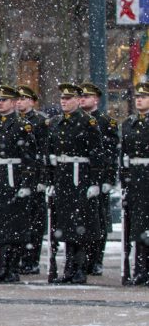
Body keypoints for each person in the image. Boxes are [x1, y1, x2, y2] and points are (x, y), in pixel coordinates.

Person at [45, 82, 108, 285]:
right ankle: (68, 268)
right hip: (63, 178)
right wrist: (50, 180)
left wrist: (95, 182)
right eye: (62, 99)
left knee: (80, 227)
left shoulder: (87, 122)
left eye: (68, 98)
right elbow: (50, 155)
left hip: (80, 178)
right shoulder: (55, 123)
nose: (64, 102)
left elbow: (97, 154)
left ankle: (80, 269)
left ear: (77, 101)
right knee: (65, 226)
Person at [0, 84, 37, 283]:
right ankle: (3, 268)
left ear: (13, 103)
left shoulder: (22, 126)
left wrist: (26, 184)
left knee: (14, 229)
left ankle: (12, 268)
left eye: (4, 100)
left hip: (14, 181)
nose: (0, 103)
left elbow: (30, 159)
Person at [79, 81, 119, 276]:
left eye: (87, 96)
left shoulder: (105, 122)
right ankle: (82, 260)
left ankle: (96, 260)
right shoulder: (77, 120)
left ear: (96, 99)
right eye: (82, 96)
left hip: (98, 177)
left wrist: (108, 179)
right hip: (81, 176)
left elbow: (110, 154)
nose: (83, 99)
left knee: (98, 221)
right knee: (81, 221)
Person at [16, 85, 49, 275]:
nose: (19, 102)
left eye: (23, 99)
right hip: (18, 176)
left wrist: (42, 178)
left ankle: (31, 259)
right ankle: (21, 257)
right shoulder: (15, 120)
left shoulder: (39, 122)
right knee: (19, 220)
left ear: (31, 101)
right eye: (18, 99)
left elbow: (43, 152)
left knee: (34, 222)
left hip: (34, 176)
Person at [121, 82, 149, 285]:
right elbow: (125, 156)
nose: (139, 99)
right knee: (137, 226)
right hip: (136, 180)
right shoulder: (129, 123)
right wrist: (125, 180)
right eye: (137, 96)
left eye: (144, 97)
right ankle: (140, 270)